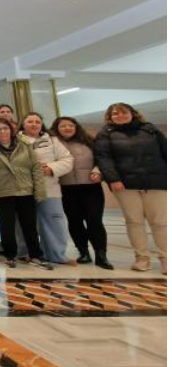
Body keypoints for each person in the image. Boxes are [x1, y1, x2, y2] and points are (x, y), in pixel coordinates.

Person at [94, 102, 166, 274]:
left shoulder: (150, 129)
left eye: (123, 113)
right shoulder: (105, 134)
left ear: (133, 113)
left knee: (160, 222)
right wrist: (113, 179)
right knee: (134, 222)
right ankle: (142, 258)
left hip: (157, 182)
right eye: (115, 114)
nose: (119, 116)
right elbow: (104, 158)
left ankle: (165, 258)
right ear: (109, 117)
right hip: (125, 184)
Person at [0, 118, 51, 269]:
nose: (2, 131)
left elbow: (35, 168)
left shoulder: (25, 145)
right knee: (7, 227)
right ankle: (10, 255)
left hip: (26, 191)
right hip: (2, 193)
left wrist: (39, 190)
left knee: (30, 226)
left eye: (5, 128)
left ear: (11, 129)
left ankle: (36, 255)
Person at [51, 116, 113, 270]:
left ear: (76, 127)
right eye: (63, 126)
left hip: (90, 187)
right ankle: (83, 252)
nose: (67, 128)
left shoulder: (89, 142)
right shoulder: (52, 143)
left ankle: (101, 255)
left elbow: (102, 160)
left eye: (70, 125)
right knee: (74, 221)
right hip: (66, 188)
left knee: (95, 221)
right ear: (56, 128)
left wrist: (98, 171)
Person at [18, 112, 74, 265]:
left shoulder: (52, 140)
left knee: (54, 221)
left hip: (49, 188)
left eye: (37, 121)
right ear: (23, 124)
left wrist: (50, 168)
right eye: (30, 121)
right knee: (25, 223)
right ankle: (26, 253)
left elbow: (67, 160)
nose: (34, 124)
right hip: (23, 189)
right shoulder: (15, 140)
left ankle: (56, 254)